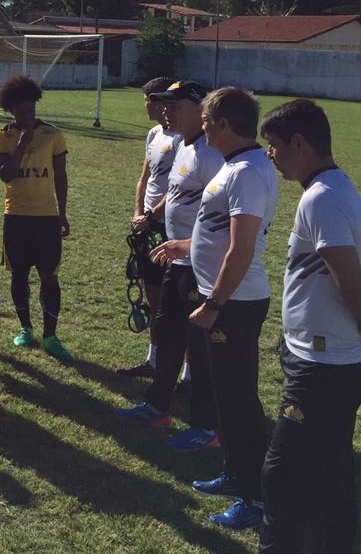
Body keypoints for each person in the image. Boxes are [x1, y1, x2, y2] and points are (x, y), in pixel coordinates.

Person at [258, 99, 361, 553]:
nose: (270, 156)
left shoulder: (322, 198)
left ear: (300, 143)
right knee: (333, 468)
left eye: (274, 146)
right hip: (321, 356)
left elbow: (354, 283)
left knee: (281, 477)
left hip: (325, 366)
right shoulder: (331, 190)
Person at [157, 87, 279, 529]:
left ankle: (255, 498)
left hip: (234, 302)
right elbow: (220, 234)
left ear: (224, 123)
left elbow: (242, 249)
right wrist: (185, 245)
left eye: (207, 121)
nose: (202, 128)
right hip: (226, 297)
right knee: (227, 397)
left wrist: (212, 303)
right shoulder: (235, 167)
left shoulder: (247, 172)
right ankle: (236, 473)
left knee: (239, 399)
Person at [118, 80, 222, 447]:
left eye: (176, 106)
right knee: (168, 330)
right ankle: (158, 407)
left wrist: (191, 247)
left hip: (200, 265)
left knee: (201, 342)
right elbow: (174, 194)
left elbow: (225, 219)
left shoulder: (212, 155)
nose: (168, 111)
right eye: (165, 105)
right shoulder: (185, 147)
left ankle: (207, 428)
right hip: (176, 259)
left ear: (199, 110)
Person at [0, 75, 73, 363]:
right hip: (16, 217)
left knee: (49, 275)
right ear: (11, 110)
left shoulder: (53, 135)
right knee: (19, 274)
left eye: (31, 109)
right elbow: (6, 174)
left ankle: (51, 335)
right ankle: (25, 329)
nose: (28, 115)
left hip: (46, 217)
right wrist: (23, 142)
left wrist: (62, 213)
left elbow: (60, 176)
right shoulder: (2, 136)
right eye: (21, 111)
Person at [118, 76, 179, 377]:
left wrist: (152, 215)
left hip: (172, 227)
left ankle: (188, 375)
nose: (146, 105)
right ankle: (153, 360)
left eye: (146, 99)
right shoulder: (154, 133)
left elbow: (181, 185)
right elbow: (145, 177)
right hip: (147, 224)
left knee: (179, 304)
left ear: (158, 101)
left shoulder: (184, 139)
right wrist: (137, 211)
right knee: (152, 294)